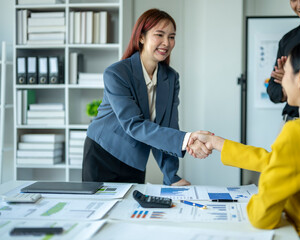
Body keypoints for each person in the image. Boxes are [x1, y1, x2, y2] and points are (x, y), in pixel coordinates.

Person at [189, 40, 300, 240]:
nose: (281, 80)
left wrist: (256, 199)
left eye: (285, 72)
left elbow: (261, 216)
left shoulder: (298, 132)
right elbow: (278, 161)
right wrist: (216, 142)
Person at [82, 9, 211, 186]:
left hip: (135, 158)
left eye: (171, 37)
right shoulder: (116, 73)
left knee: (130, 211)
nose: (166, 42)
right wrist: (187, 139)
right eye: (160, 35)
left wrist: (171, 176)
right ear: (141, 37)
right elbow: (133, 124)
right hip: (103, 153)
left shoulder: (171, 78)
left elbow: (167, 127)